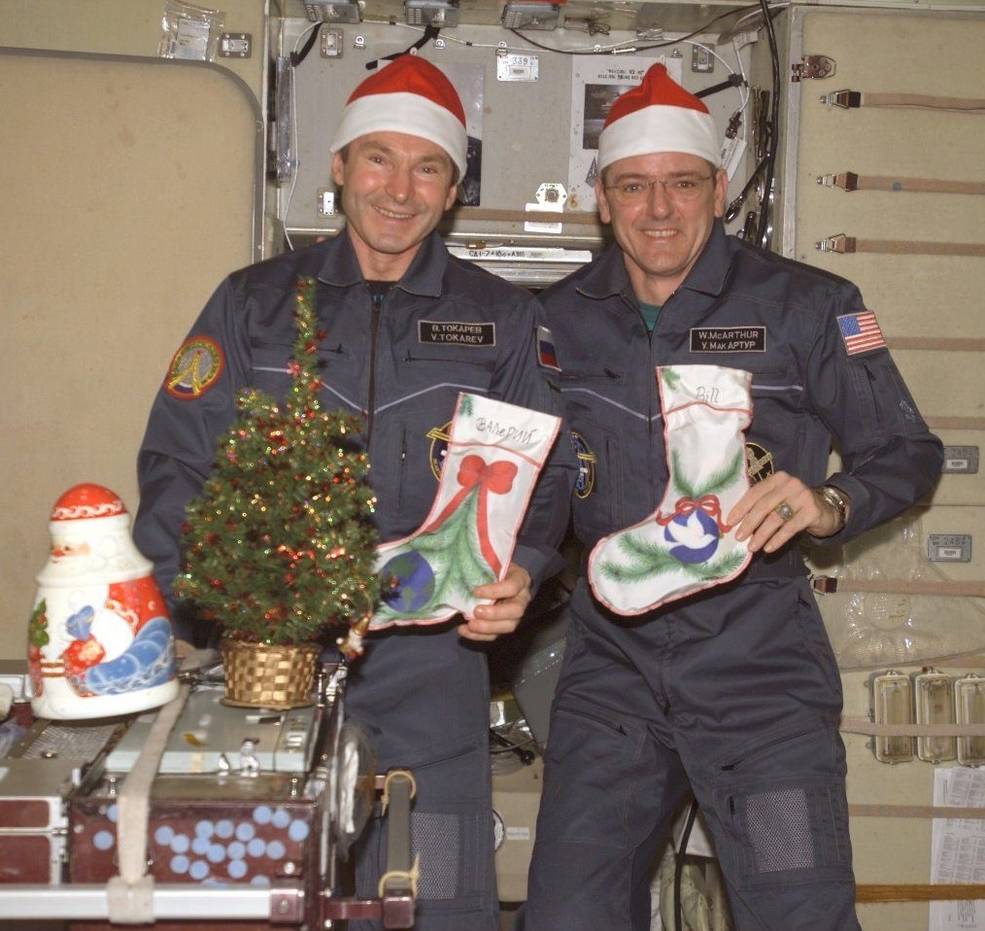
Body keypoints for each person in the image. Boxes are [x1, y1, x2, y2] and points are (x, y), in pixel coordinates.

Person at [134, 54, 573, 931]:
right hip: (266, 664)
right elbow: (174, 466)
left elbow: (550, 474)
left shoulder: (505, 319)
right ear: (337, 167)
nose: (399, 189)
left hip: (431, 667)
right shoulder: (250, 305)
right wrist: (223, 603)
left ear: (452, 188)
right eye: (378, 158)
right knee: (257, 894)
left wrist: (521, 570)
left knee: (439, 894)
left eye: (428, 167)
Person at [522, 63, 943, 931]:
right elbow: (531, 482)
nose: (659, 209)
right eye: (633, 186)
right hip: (613, 672)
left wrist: (830, 502)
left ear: (719, 190)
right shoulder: (554, 321)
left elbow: (907, 451)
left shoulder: (810, 306)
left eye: (682, 183)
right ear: (600, 199)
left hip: (760, 672)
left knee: (797, 911)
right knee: (567, 912)